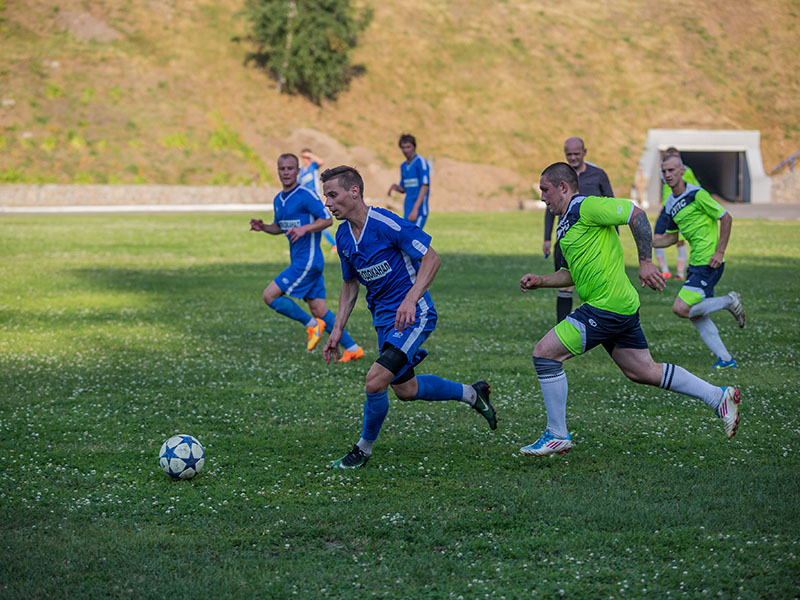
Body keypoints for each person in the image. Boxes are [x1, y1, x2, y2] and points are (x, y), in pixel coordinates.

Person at [519, 162, 740, 457]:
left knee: (545, 354)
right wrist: (541, 281)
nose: (542, 197)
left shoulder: (586, 206)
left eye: (545, 190)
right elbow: (570, 274)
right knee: (642, 371)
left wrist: (646, 262)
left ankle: (557, 434)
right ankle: (718, 396)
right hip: (616, 305)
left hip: (606, 306)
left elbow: (636, 214)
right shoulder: (566, 222)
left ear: (563, 187)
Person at [321, 165, 496, 469]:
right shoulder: (344, 236)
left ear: (354, 191)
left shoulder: (386, 223)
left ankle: (362, 450)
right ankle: (472, 393)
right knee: (406, 390)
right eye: (326, 196)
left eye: (333, 195)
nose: (328, 203)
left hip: (414, 315)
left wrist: (411, 300)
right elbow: (350, 284)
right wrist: (337, 330)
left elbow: (432, 258)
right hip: (384, 320)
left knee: (375, 381)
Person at [249, 153, 364, 362]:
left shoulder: (305, 195)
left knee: (270, 296)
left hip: (308, 261)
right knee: (319, 309)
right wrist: (264, 227)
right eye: (282, 168)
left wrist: (304, 229)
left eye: (290, 168)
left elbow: (327, 219)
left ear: (298, 171)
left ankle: (312, 326)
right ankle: (353, 348)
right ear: (278, 171)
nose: (286, 172)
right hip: (301, 261)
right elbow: (279, 227)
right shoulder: (279, 199)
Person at [654, 154, 746, 369]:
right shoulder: (670, 202)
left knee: (681, 308)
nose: (667, 175)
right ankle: (726, 360)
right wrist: (646, 241)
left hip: (709, 262)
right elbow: (671, 237)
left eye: (671, 170)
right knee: (697, 315)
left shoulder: (697, 194)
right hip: (695, 262)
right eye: (664, 171)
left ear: (681, 171)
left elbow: (726, 217)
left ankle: (728, 301)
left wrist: (719, 252)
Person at [542, 137, 614, 323]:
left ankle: (598, 322)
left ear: (585, 152)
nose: (573, 158)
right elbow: (549, 207)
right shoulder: (560, 177)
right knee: (565, 284)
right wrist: (547, 238)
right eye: (569, 154)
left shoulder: (598, 175)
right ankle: (562, 326)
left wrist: (615, 236)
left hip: (594, 241)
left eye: (576, 154)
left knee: (595, 283)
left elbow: (611, 202)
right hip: (566, 238)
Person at [654, 147, 697, 280]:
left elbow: (696, 187)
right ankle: (665, 271)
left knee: (679, 241)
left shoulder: (686, 171)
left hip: (680, 207)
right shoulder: (663, 171)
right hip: (666, 207)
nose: (668, 174)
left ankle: (680, 273)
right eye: (668, 156)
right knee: (657, 237)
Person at [387, 133, 431, 229]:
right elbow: (404, 189)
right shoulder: (403, 166)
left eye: (408, 147)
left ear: (414, 147)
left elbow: (425, 186)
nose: (406, 150)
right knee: (408, 237)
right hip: (408, 210)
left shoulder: (420, 162)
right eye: (403, 147)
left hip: (419, 210)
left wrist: (415, 209)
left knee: (414, 236)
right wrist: (395, 187)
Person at [298, 148, 337, 251]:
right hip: (305, 201)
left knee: (320, 222)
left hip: (315, 199)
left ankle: (334, 244)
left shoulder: (313, 166)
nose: (304, 159)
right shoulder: (301, 171)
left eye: (306, 157)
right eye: (303, 157)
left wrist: (310, 155)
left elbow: (321, 162)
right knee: (309, 222)